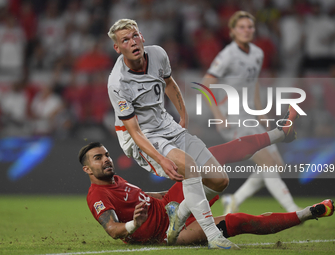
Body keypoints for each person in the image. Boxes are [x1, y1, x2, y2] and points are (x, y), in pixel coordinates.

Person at [106, 18, 298, 249]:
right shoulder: (118, 82)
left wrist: (183, 116)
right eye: (125, 40)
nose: (133, 42)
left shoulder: (157, 54)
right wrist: (161, 159)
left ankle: (180, 214)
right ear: (118, 48)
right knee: (189, 168)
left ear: (142, 37)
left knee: (219, 180)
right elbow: (135, 131)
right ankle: (213, 235)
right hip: (141, 135)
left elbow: (169, 83)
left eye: (135, 35)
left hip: (165, 124)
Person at [80, 142, 334, 246]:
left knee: (205, 162)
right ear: (87, 169)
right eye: (98, 158)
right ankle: (308, 213)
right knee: (237, 222)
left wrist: (167, 190)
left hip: (170, 203)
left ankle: (265, 140)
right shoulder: (97, 196)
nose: (106, 159)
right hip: (165, 232)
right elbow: (113, 230)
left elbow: (144, 197)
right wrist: (135, 222)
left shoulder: (116, 180)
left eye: (106, 155)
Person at [201, 11, 301, 215]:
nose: (246, 31)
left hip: (249, 115)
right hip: (232, 117)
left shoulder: (257, 53)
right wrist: (218, 115)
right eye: (241, 27)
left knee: (277, 165)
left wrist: (260, 112)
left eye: (249, 27)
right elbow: (205, 84)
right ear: (232, 32)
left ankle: (234, 199)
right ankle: (293, 211)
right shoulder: (227, 55)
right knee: (268, 162)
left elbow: (253, 83)